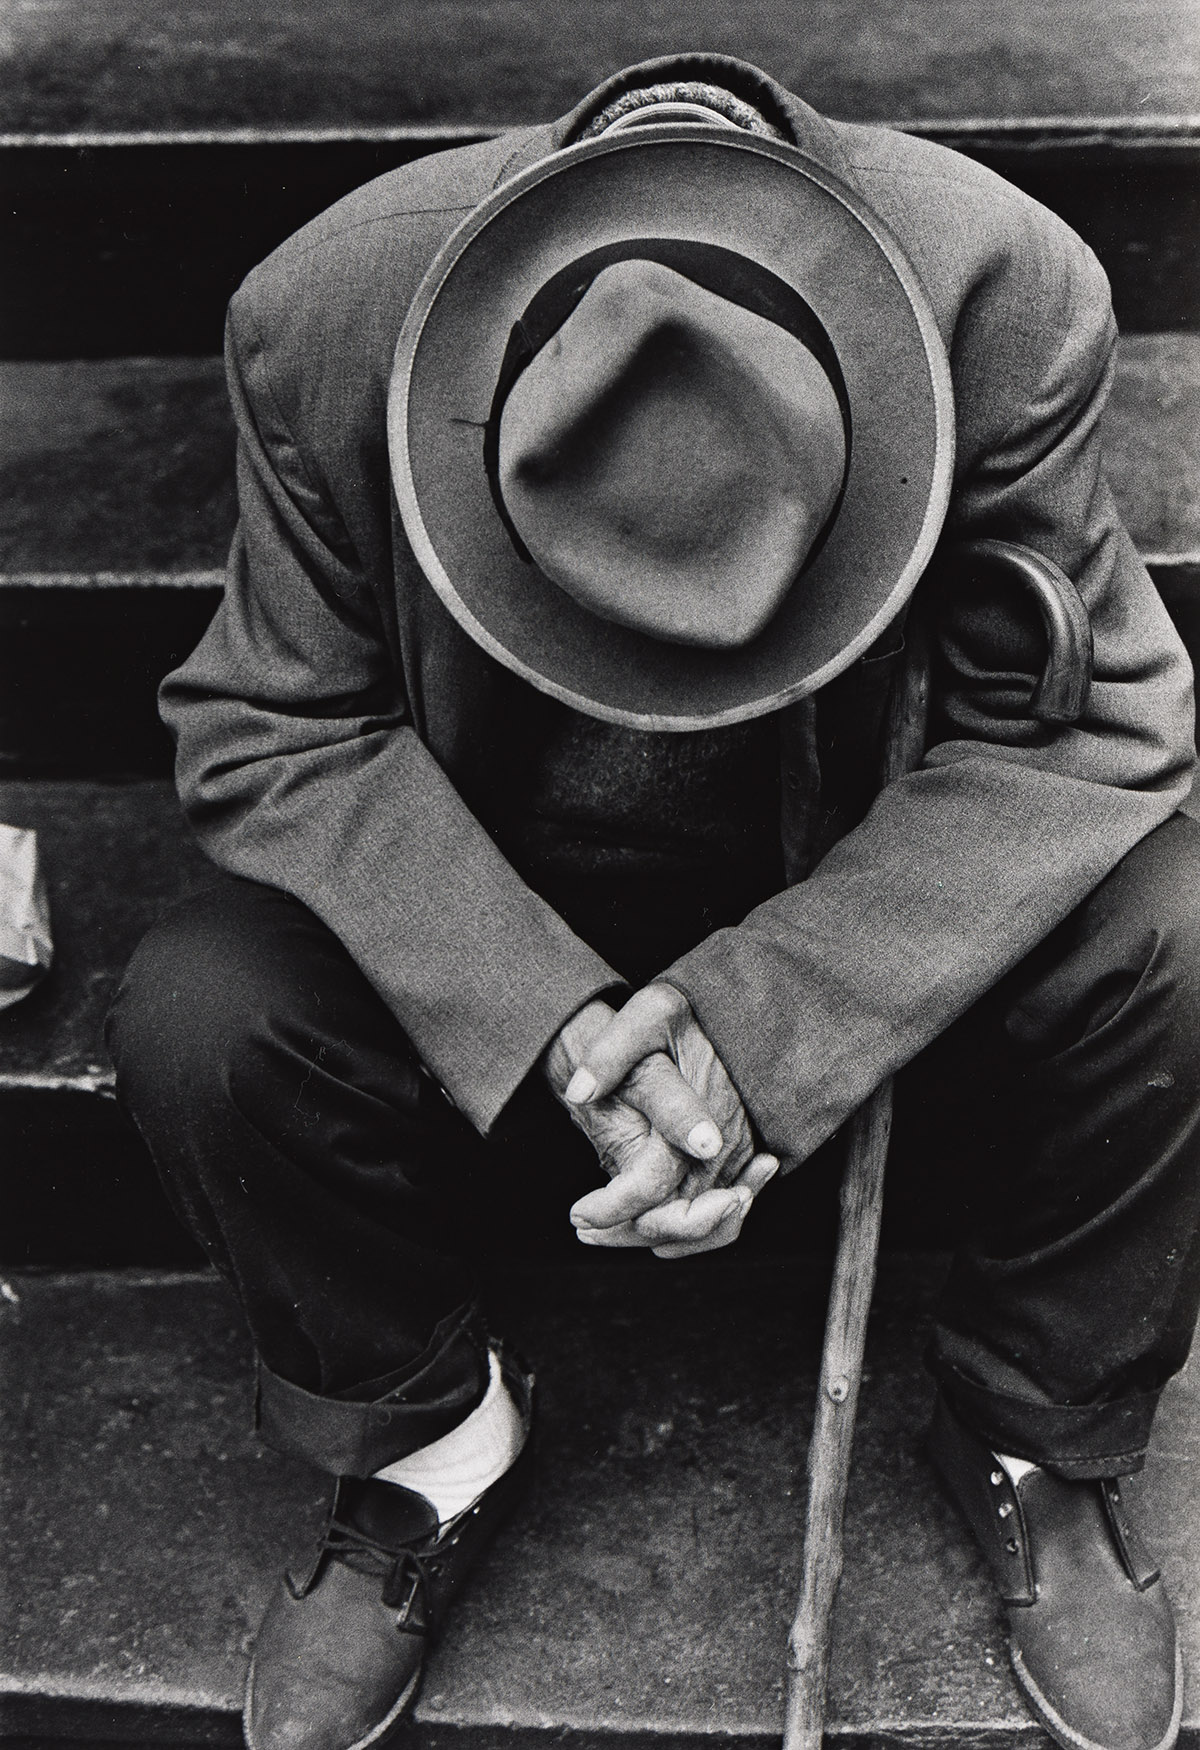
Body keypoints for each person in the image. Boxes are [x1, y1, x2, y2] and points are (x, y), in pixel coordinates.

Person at [107, 52, 1200, 1750]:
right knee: (201, 1007)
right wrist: (546, 1021)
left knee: (1189, 931)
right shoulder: (323, 319)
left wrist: (765, 1030)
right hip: (493, 944)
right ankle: (433, 1441)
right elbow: (270, 721)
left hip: (854, 949)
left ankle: (1031, 1427)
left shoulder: (998, 291)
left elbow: (1101, 727)